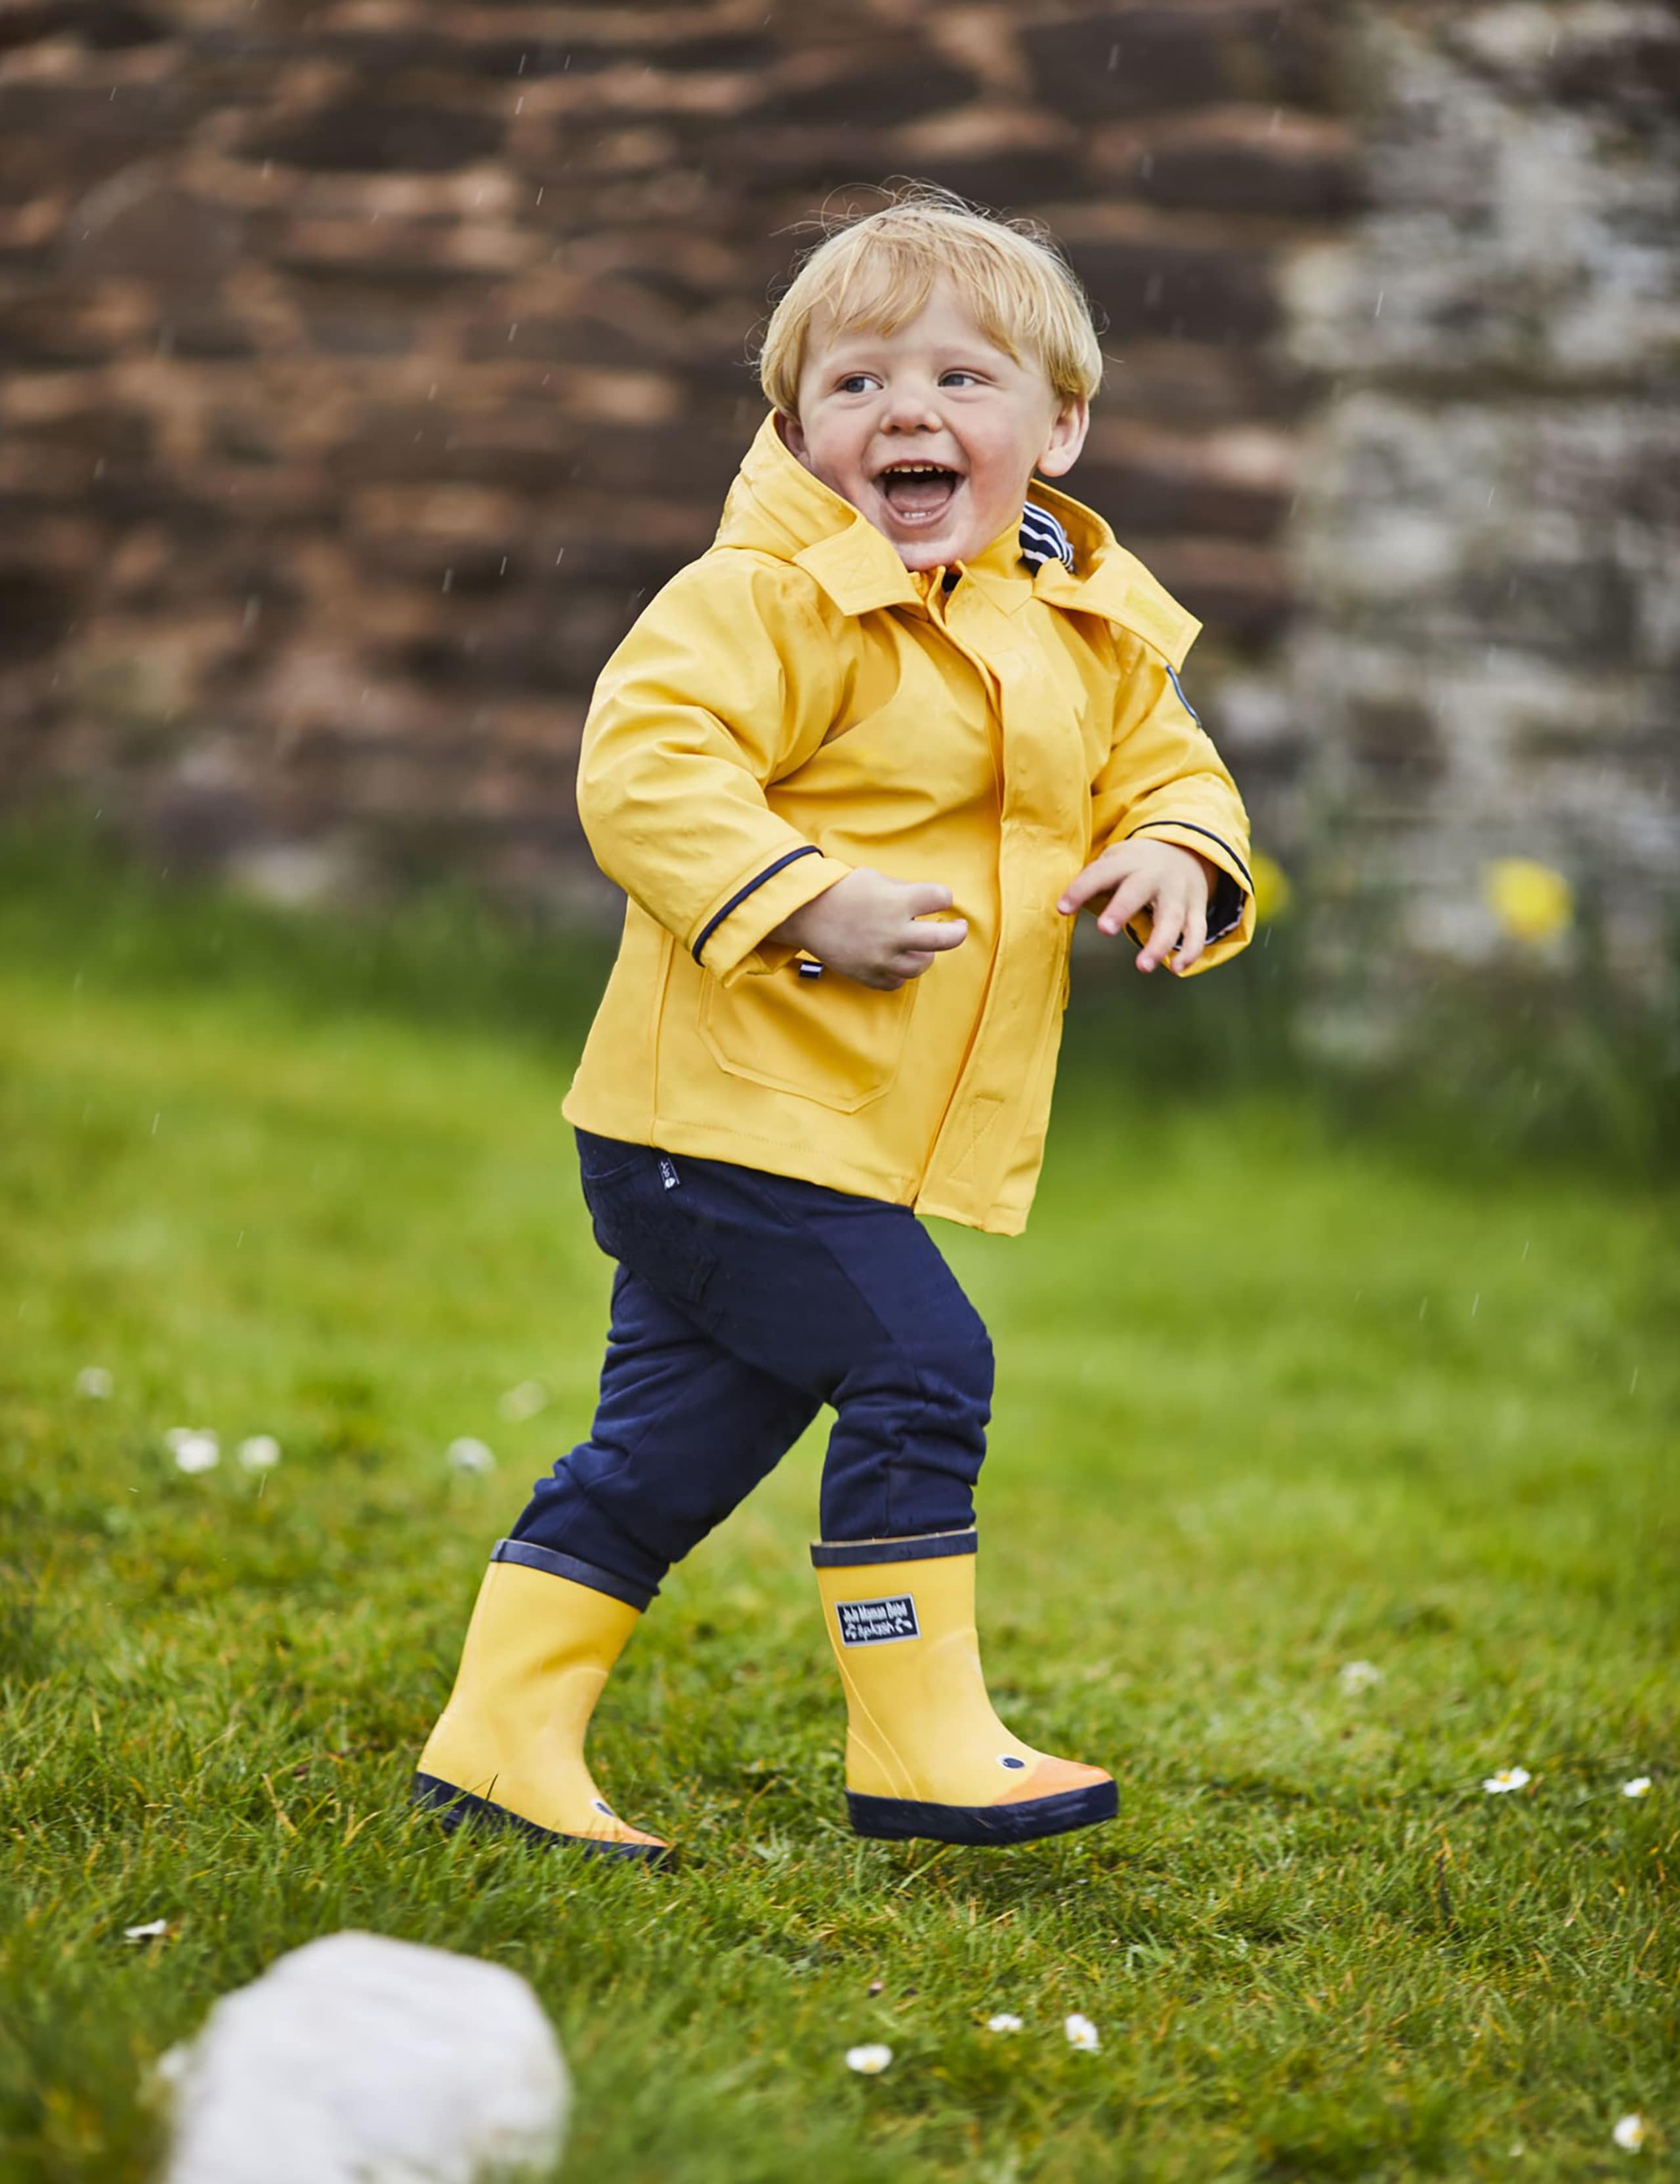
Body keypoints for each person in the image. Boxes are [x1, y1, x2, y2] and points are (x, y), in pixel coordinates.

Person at [414, 188, 1255, 1864]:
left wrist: (1175, 847)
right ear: (796, 427)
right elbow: (648, 766)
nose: (909, 415)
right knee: (922, 1366)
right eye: (858, 386)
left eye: (961, 379)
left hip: (830, 1128)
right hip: (716, 1116)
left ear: (1058, 423)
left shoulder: (1078, 619)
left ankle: (499, 1741)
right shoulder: (766, 599)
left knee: (665, 1455)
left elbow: (1162, 761)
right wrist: (803, 894)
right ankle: (919, 1736)